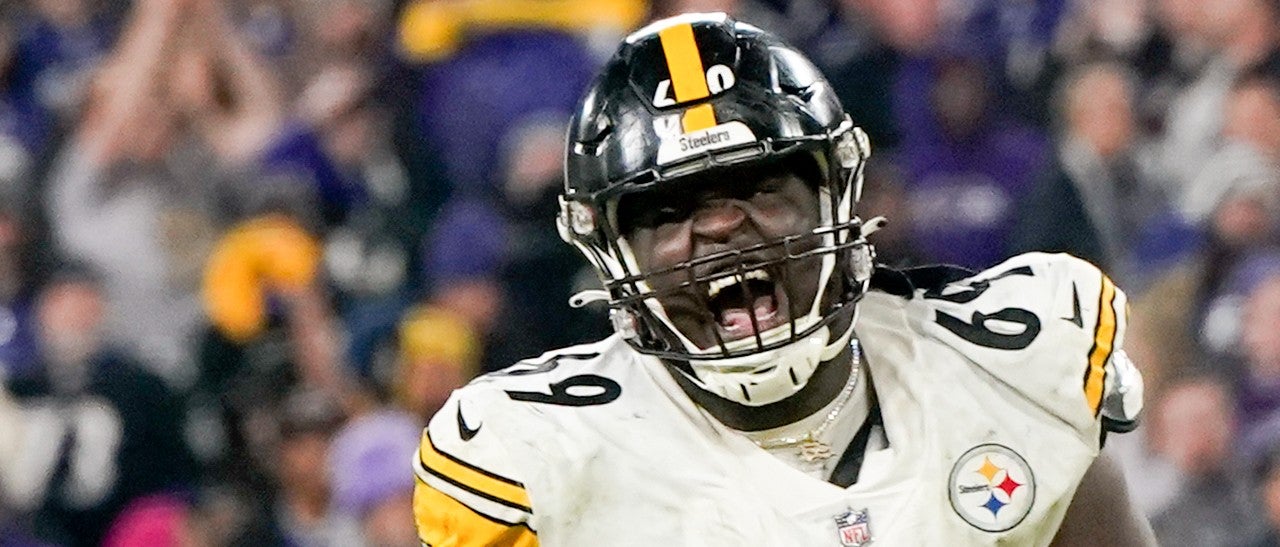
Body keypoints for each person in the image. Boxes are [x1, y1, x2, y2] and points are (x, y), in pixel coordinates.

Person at [412, 13, 1153, 545]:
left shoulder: (1009, 368)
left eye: (761, 188)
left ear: (836, 192)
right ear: (612, 249)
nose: (722, 229)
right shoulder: (542, 456)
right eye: (670, 210)